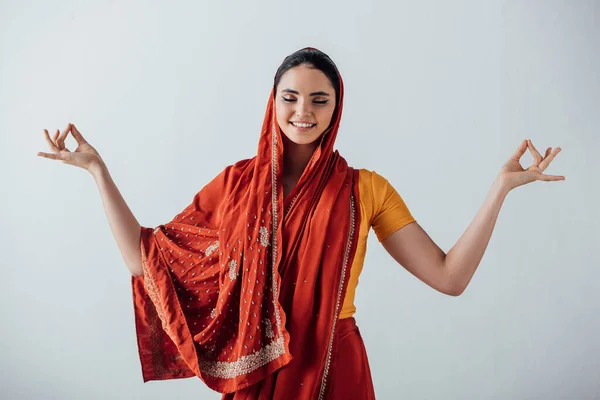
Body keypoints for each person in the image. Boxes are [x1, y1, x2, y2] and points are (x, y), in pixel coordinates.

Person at [37, 47, 565, 399]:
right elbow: (146, 259)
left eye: (320, 99)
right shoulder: (235, 186)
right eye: (290, 97)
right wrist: (97, 171)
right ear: (274, 103)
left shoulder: (366, 189)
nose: (303, 111)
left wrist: (500, 189)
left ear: (337, 109)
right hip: (258, 367)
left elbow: (449, 277)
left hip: (335, 366)